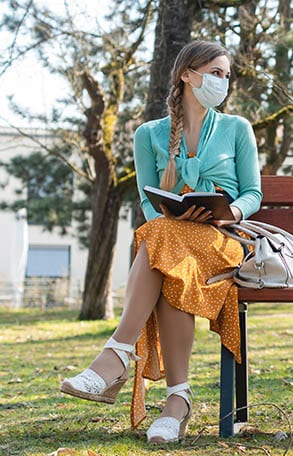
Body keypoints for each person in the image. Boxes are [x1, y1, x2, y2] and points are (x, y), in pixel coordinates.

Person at [60, 40, 262, 444]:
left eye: (225, 75)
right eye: (214, 73)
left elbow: (253, 194)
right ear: (187, 74)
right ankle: (177, 402)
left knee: (160, 244)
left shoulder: (237, 128)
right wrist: (173, 218)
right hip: (172, 240)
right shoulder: (148, 134)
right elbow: (148, 203)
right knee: (166, 249)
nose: (222, 82)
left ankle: (117, 357)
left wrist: (229, 212)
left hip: (223, 239)